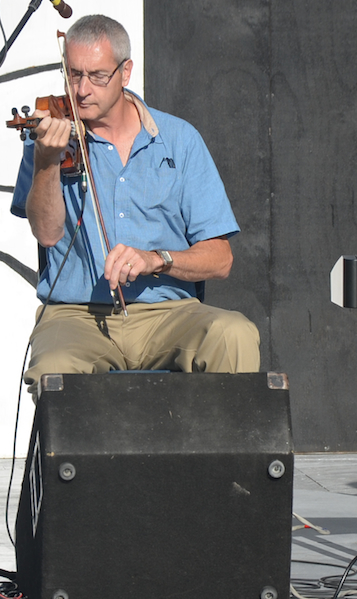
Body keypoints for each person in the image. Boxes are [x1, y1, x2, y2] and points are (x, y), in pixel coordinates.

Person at [10, 14, 260, 393]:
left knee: (235, 333)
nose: (80, 90)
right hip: (76, 315)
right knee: (55, 366)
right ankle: (77, 456)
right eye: (73, 74)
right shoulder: (50, 139)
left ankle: (222, 454)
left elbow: (220, 259)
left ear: (125, 72)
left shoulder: (179, 139)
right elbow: (47, 234)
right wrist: (46, 160)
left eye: (96, 76)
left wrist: (156, 258)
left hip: (168, 314)